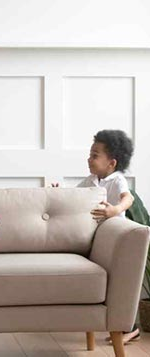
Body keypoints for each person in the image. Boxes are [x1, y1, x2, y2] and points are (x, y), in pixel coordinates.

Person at [57, 129, 137, 343]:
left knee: (120, 283)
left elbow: (128, 198)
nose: (89, 159)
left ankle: (131, 326)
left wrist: (115, 209)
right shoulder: (91, 180)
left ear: (111, 163)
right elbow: (73, 195)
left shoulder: (117, 180)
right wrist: (58, 191)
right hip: (97, 236)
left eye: (95, 155)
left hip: (115, 238)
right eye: (90, 154)